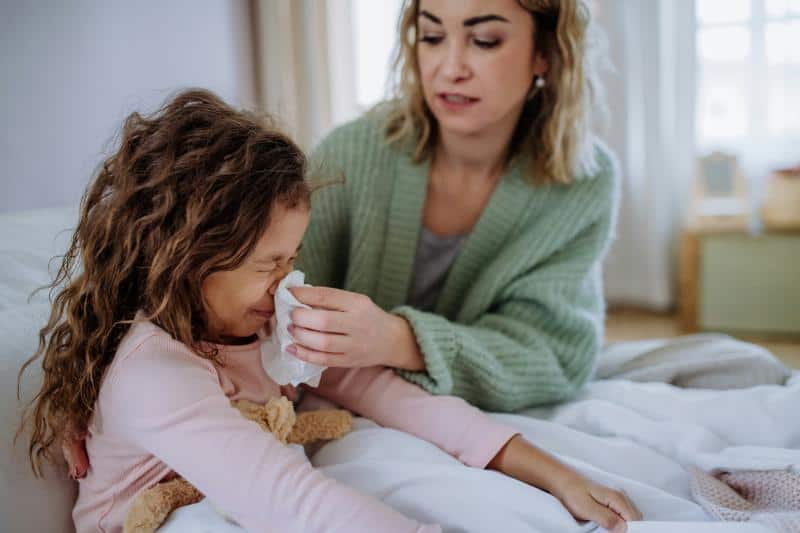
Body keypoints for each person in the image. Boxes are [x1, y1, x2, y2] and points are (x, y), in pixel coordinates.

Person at [19, 90, 639, 532]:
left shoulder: (264, 321)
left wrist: (555, 475)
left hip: (249, 489)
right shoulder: (154, 374)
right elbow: (286, 499)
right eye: (268, 265)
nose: (285, 283)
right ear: (183, 258)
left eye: (290, 259)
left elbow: (400, 399)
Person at [289, 0, 618, 412]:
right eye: (432, 37)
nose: (450, 67)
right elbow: (273, 300)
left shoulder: (581, 181)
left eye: (484, 40)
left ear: (545, 53)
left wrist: (397, 339)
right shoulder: (349, 155)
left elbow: (553, 355)